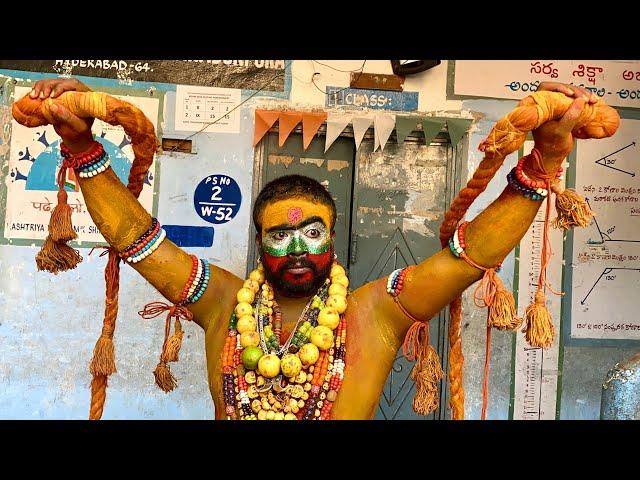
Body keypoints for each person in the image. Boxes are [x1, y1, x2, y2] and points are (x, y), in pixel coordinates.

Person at [25, 78, 600, 420]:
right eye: (279, 235)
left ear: (332, 236)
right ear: (258, 243)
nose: (297, 248)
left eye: (312, 232)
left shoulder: (375, 311)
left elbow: (467, 258)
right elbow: (137, 241)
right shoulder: (221, 303)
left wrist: (544, 164)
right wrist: (80, 145)